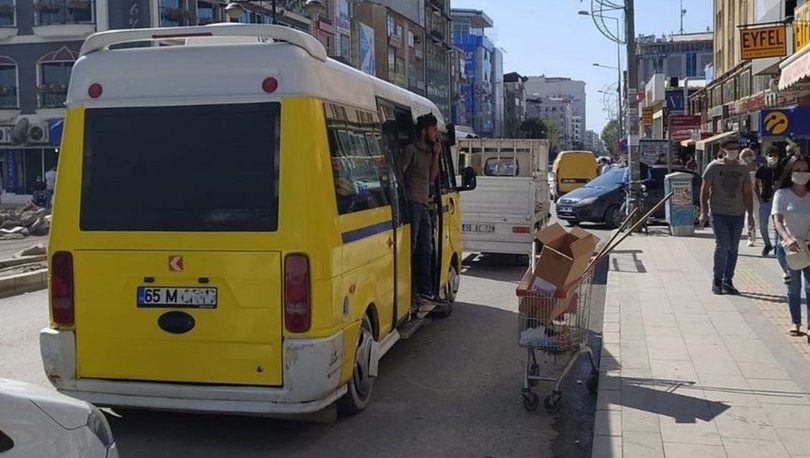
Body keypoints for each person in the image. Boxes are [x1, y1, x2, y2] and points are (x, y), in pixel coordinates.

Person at [699, 137, 755, 295]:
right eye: (730, 148)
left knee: (733, 248)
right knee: (723, 245)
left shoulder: (742, 168)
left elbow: (747, 192)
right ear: (722, 150)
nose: (733, 151)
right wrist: (703, 211)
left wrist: (750, 215)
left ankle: (728, 280)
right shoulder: (714, 167)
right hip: (719, 213)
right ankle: (717, 279)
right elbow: (704, 190)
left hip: (737, 213)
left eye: (736, 148)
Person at [402, 113, 441, 303]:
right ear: (424, 131)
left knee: (427, 248)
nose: (436, 134)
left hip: (424, 203)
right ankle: (411, 289)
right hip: (412, 202)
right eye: (433, 130)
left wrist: (436, 154)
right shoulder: (410, 150)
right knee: (413, 246)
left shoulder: (430, 152)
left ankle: (425, 287)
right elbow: (401, 173)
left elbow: (432, 177)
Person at [772, 155, 810, 338]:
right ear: (790, 172)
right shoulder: (782, 194)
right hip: (789, 248)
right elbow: (777, 221)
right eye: (798, 170)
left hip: (808, 246)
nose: (802, 174)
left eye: (805, 170)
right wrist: (787, 238)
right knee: (794, 287)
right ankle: (796, 322)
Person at [755, 146, 785, 258]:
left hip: (778, 201)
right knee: (763, 225)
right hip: (765, 201)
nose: (773, 158)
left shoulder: (782, 169)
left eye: (775, 155)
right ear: (766, 156)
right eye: (770, 155)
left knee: (778, 224)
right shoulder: (762, 169)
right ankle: (767, 244)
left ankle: (778, 246)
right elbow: (756, 184)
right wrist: (759, 197)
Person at [741, 148, 758, 247]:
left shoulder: (757, 166)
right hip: (745, 194)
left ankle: (754, 231)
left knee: (756, 216)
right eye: (745, 155)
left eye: (749, 155)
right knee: (748, 215)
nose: (748, 157)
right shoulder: (741, 167)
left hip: (756, 194)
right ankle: (750, 236)